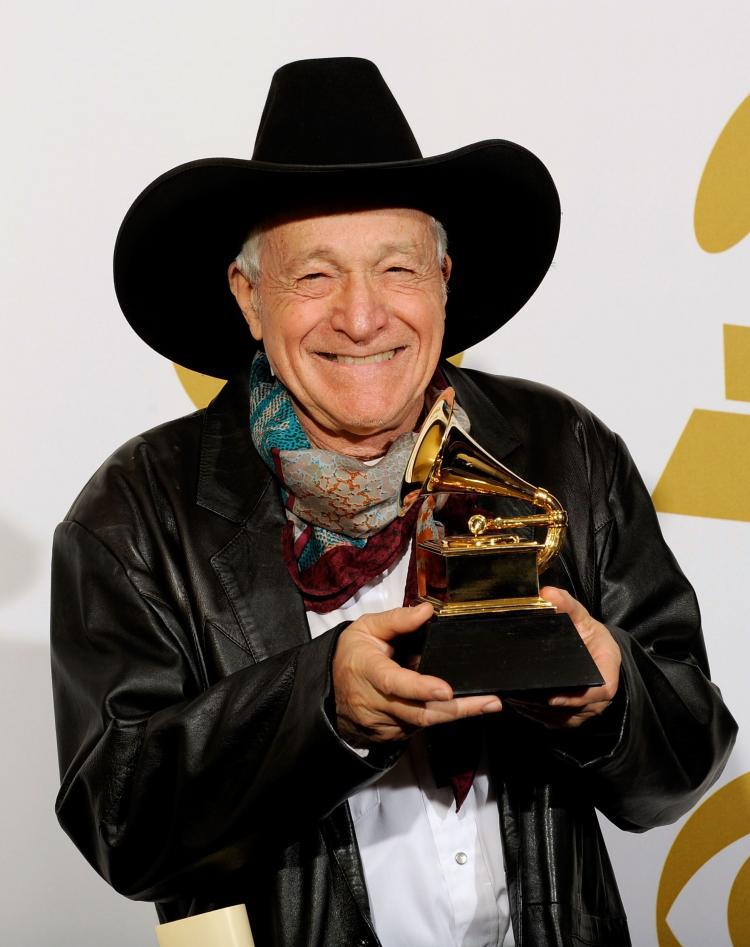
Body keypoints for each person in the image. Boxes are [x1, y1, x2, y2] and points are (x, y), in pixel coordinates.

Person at [51, 58, 737, 947]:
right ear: (247, 298)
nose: (364, 317)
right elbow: (121, 822)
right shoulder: (132, 516)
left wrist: (611, 695)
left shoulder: (563, 452)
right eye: (315, 278)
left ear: (445, 279)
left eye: (397, 268)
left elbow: (682, 764)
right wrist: (322, 709)